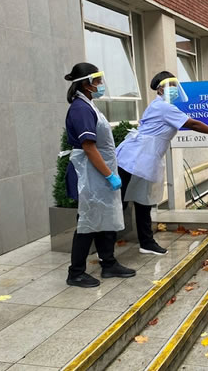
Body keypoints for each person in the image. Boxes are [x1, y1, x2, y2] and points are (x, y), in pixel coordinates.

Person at [116, 71, 208, 255]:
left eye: (175, 85)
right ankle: (106, 253)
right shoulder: (163, 107)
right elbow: (193, 124)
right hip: (132, 159)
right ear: (160, 89)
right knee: (120, 203)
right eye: (169, 85)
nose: (173, 89)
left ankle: (146, 242)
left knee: (144, 200)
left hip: (144, 159)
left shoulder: (163, 106)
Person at [64, 62, 136, 288]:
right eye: (97, 81)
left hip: (98, 172)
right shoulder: (80, 109)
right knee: (88, 222)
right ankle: (75, 273)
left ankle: (109, 263)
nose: (101, 85)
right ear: (86, 84)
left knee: (104, 218)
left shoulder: (89, 106)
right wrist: (110, 176)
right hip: (90, 173)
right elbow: (89, 147)